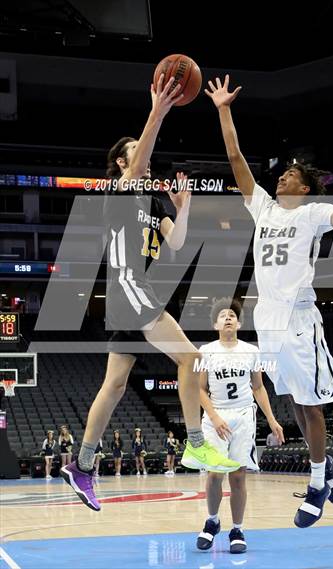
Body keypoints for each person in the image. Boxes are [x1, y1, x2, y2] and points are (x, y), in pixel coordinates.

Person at [60, 74, 240, 511]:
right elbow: (140, 163)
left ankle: (82, 465)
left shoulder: (153, 204)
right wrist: (158, 110)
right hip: (129, 289)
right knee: (191, 358)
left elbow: (176, 244)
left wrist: (184, 208)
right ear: (123, 164)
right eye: (135, 157)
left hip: (134, 293)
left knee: (116, 384)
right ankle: (195, 442)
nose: (146, 164)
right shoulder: (119, 192)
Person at [205, 74, 333, 528]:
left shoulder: (315, 213)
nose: (282, 177)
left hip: (298, 319)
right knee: (295, 403)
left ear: (306, 189)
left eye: (291, 175)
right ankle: (324, 468)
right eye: (282, 174)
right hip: (267, 320)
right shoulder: (264, 207)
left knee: (310, 406)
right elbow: (236, 157)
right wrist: (223, 108)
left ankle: (317, 482)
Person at [196, 297, 284, 553]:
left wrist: (271, 419)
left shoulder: (252, 351)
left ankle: (237, 529)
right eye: (223, 315)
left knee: (238, 475)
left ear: (239, 322)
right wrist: (213, 416)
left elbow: (258, 387)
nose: (228, 318)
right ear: (215, 324)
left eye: (232, 315)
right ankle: (212, 522)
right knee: (214, 474)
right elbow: (200, 390)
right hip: (216, 416)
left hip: (244, 415)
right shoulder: (206, 351)